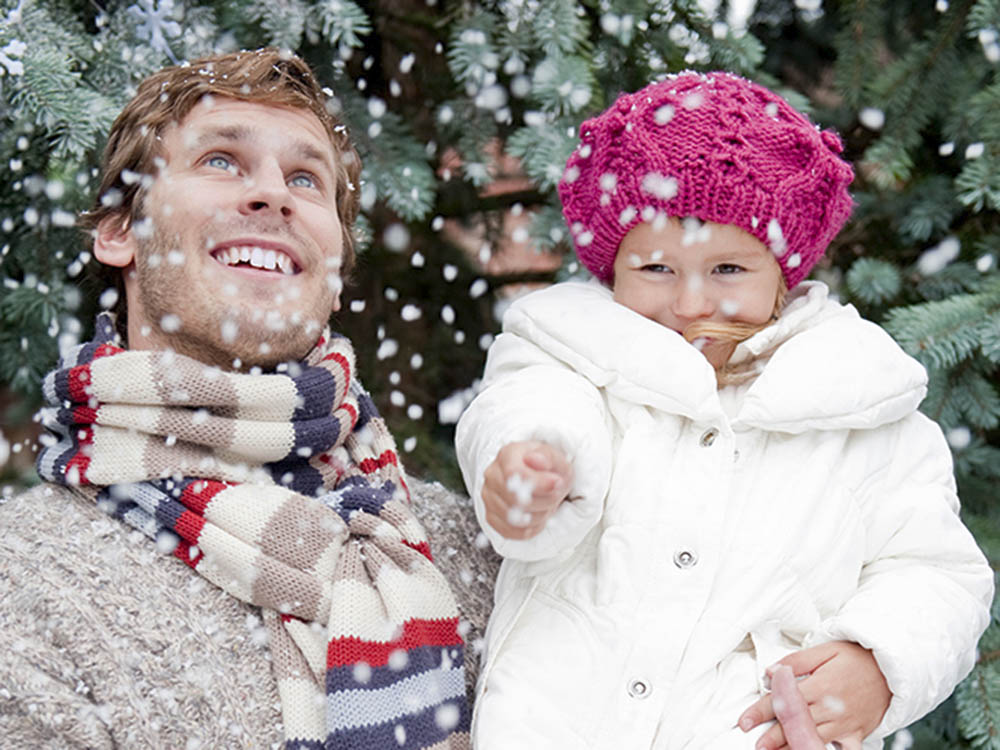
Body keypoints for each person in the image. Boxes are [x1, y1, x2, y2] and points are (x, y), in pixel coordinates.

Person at [455, 71, 993, 750]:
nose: (689, 304)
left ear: (783, 272)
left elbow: (937, 572)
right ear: (612, 267)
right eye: (656, 269)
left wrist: (879, 663)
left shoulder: (863, 406)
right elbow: (526, 404)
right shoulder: (575, 356)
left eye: (728, 271)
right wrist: (530, 463)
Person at [0, 48, 498, 750]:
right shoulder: (26, 583)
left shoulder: (465, 547)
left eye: (305, 177)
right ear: (119, 232)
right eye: (222, 161)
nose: (273, 195)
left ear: (336, 266)